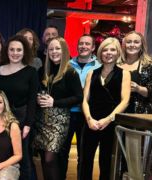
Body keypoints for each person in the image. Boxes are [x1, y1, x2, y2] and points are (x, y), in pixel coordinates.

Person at [79, 37, 131, 180]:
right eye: (105, 50)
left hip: (111, 123)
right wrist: (89, 119)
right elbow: (84, 99)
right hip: (91, 121)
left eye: (112, 50)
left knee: (106, 161)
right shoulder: (92, 73)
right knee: (85, 160)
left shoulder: (124, 74)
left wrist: (107, 120)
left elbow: (125, 101)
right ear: (101, 53)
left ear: (118, 52)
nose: (109, 53)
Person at [34, 37, 83, 180]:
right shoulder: (43, 70)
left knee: (50, 158)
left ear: (64, 51)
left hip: (59, 120)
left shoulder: (70, 72)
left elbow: (78, 97)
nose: (54, 52)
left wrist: (55, 102)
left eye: (57, 48)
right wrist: (38, 97)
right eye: (51, 49)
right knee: (44, 159)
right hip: (41, 119)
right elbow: (38, 90)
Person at [0, 35, 39, 180]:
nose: (15, 53)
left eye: (19, 50)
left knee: (23, 157)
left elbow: (32, 100)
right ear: (7, 51)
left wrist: (27, 125)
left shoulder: (31, 72)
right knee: (5, 155)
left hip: (22, 118)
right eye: (12, 49)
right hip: (2, 118)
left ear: (24, 52)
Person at [59, 34, 101, 179]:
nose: (83, 46)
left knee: (84, 155)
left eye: (87, 44)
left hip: (87, 115)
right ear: (77, 46)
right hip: (67, 113)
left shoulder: (99, 66)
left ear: (93, 48)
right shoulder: (67, 64)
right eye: (81, 43)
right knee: (62, 152)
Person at [119, 31, 152, 113]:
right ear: (124, 45)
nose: (132, 45)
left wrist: (138, 89)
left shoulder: (148, 65)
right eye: (129, 42)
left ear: (141, 45)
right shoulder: (116, 64)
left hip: (139, 115)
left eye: (136, 42)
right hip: (117, 112)